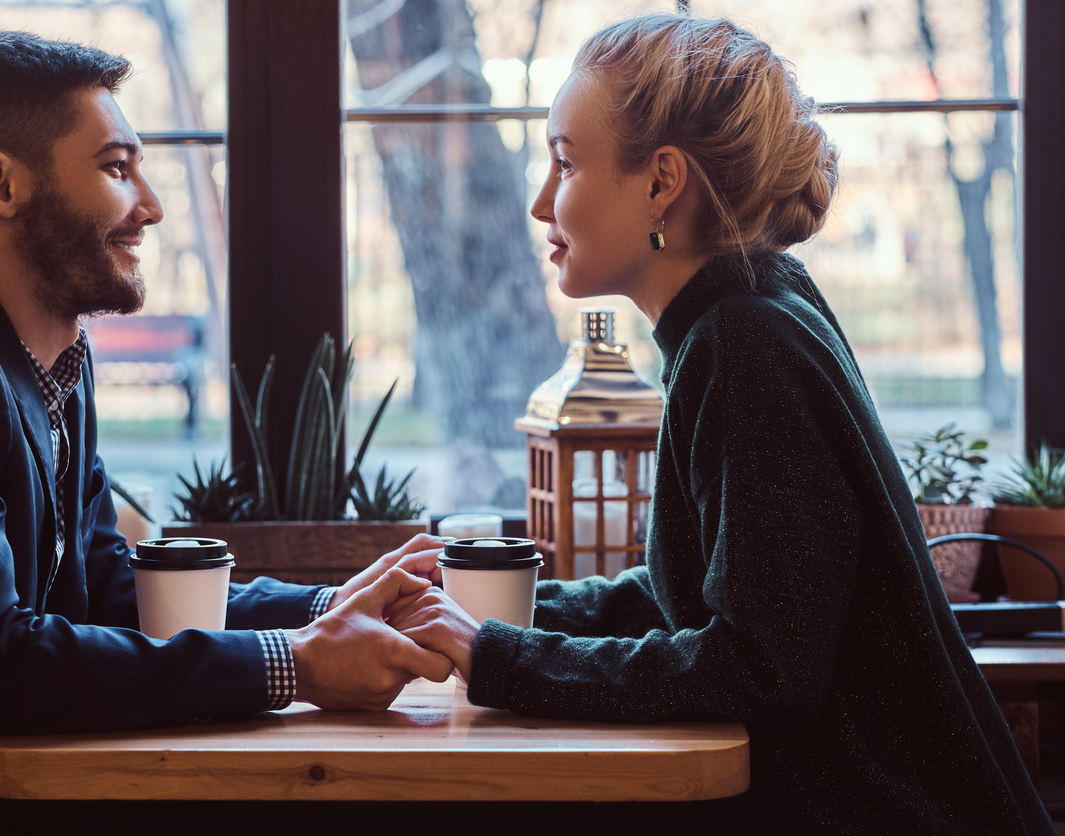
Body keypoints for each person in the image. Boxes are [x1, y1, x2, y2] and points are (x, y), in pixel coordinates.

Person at [391, 14, 1054, 834]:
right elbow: (701, 598)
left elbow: (755, 670)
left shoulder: (744, 343)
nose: (539, 202)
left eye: (564, 162)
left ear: (662, 181)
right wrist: (499, 611)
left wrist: (499, 655)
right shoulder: (755, 310)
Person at [0, 28, 451, 832]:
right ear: (1, 184)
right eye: (117, 168)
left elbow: (107, 590)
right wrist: (298, 664)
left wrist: (326, 608)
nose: (149, 204)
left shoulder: (42, 342)